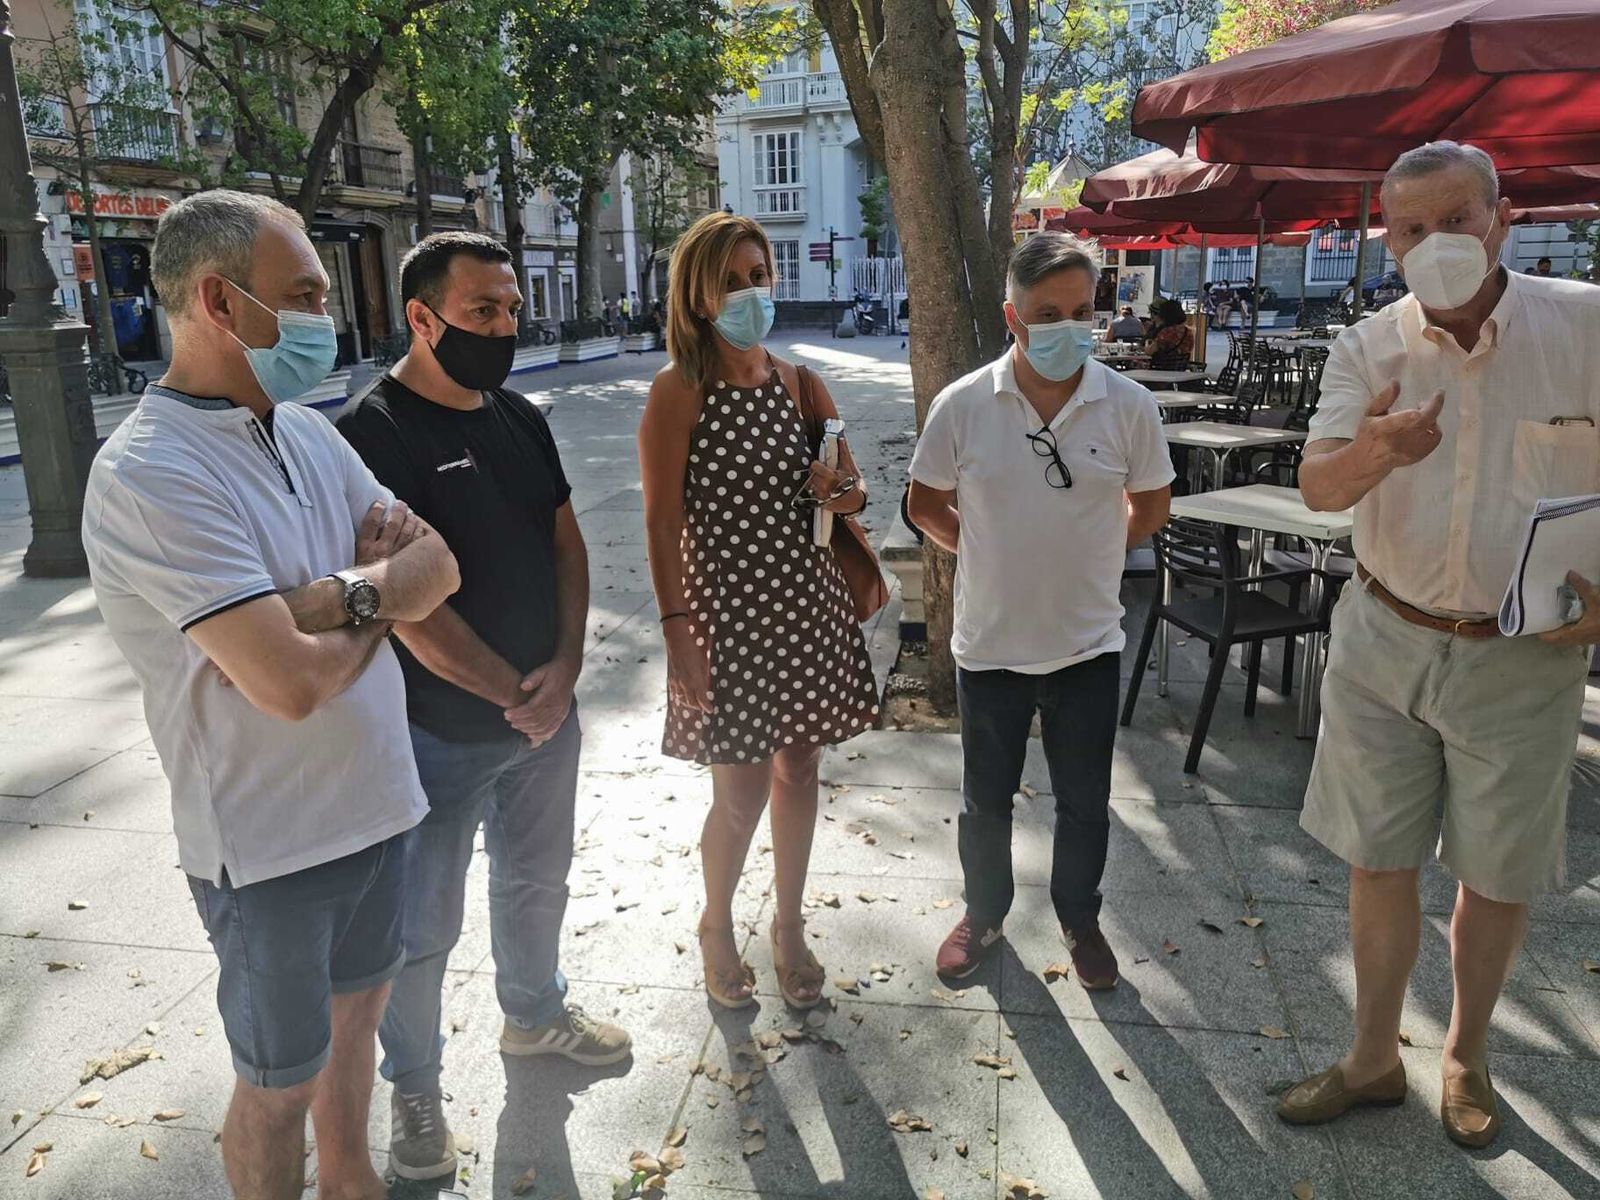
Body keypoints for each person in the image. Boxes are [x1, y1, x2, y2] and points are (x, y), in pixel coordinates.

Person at [82, 190, 461, 1200]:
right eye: (302, 294)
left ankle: (352, 1183)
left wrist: (325, 603)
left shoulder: (305, 431)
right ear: (220, 300)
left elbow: (440, 565)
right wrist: (376, 603)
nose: (324, 315)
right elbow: (287, 685)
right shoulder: (150, 474)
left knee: (354, 1037)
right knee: (277, 1086)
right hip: (270, 849)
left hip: (380, 805)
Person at [1281, 141, 1600, 1149]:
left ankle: (1466, 1058)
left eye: (1455, 220)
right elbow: (1319, 489)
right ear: (1387, 238)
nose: (1435, 244)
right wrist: (1369, 450)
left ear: (1502, 219)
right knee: (1376, 862)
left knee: (1494, 872)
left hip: (1524, 651)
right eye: (1412, 228)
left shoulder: (1584, 327)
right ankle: (1372, 1057)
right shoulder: (1367, 347)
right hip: (1383, 636)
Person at [337, 233, 629, 1182]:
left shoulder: (518, 416)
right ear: (422, 318)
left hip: (547, 712)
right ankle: (414, 1086)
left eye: (510, 310)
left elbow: (566, 545)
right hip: (436, 735)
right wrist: (516, 695)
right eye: (482, 313)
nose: (506, 327)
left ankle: (535, 1014)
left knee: (538, 879)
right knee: (421, 927)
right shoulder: (371, 435)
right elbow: (402, 604)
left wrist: (568, 665)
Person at [905, 232, 1174, 985]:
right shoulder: (963, 405)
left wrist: (1095, 547)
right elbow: (924, 503)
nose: (1068, 326)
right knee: (984, 803)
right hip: (990, 646)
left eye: (1082, 310)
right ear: (1012, 316)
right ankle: (983, 914)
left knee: (1085, 803)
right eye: (1047, 312)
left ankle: (1080, 920)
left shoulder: (1129, 406)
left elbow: (1151, 504)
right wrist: (984, 547)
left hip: (1087, 644)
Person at [638, 212, 881, 1010]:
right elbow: (662, 522)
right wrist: (679, 636)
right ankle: (716, 925)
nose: (750, 293)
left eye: (758, 276)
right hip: (728, 617)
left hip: (807, 606)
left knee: (801, 767)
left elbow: (855, 490)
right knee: (737, 795)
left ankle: (788, 925)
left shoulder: (799, 383)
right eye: (732, 281)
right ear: (698, 294)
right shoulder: (679, 391)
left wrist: (841, 491)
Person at [1145, 298, 1195, 369]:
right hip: (1180, 370)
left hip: (1161, 369)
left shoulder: (1166, 332)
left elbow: (1149, 352)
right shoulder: (1188, 332)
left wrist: (1147, 343)